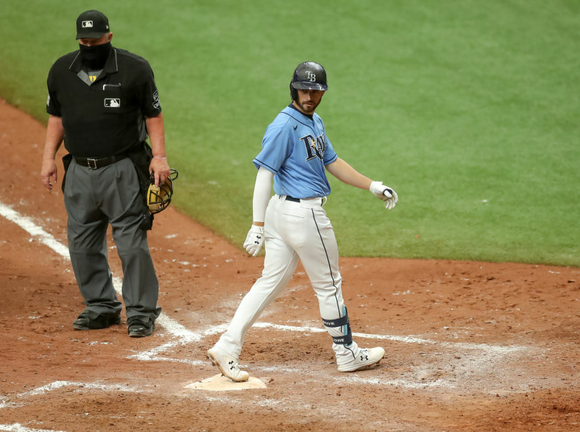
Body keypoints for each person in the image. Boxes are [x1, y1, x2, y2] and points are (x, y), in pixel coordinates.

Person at [207, 61, 399, 381]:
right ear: (293, 89)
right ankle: (346, 353)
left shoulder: (314, 121)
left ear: (322, 93)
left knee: (270, 282)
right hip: (302, 216)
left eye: (316, 91)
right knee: (329, 285)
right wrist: (256, 226)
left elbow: (332, 162)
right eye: (304, 89)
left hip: (284, 215)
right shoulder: (284, 126)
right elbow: (264, 173)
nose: (309, 95)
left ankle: (228, 346)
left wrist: (372, 185)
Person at [40, 10, 169, 338]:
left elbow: (153, 115)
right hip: (80, 171)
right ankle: (100, 306)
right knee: (81, 242)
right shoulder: (61, 71)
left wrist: (159, 157)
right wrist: (48, 158)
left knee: (131, 243)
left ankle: (141, 312)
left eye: (94, 40)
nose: (88, 45)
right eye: (83, 41)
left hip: (122, 170)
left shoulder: (134, 69)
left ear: (108, 37)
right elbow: (56, 116)